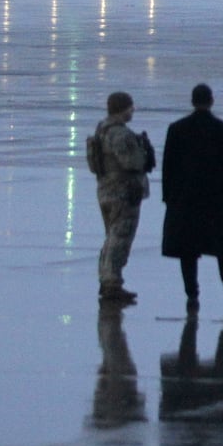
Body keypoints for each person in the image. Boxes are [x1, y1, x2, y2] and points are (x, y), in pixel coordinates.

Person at [160, 83, 223, 315]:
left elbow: (168, 167)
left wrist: (169, 198)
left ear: (192, 101)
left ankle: (192, 294)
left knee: (188, 251)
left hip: (185, 201)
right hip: (217, 201)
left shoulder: (176, 129)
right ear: (211, 101)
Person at [92, 90, 154, 304]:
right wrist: (143, 152)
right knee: (120, 238)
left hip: (106, 190)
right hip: (123, 193)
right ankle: (112, 283)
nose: (132, 110)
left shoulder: (102, 129)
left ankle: (107, 278)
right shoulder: (120, 134)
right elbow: (133, 163)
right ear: (123, 109)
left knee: (111, 237)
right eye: (130, 107)